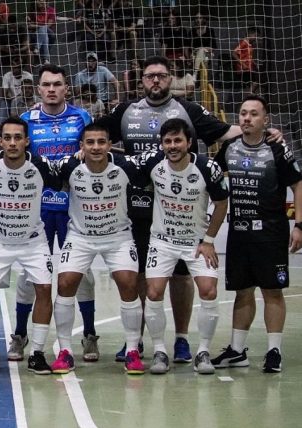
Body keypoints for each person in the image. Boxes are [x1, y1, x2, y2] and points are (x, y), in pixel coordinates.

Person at [96, 55, 281, 362]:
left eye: (162, 76)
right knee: (143, 276)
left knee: (181, 277)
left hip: (184, 210)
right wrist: (80, 145)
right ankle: (137, 340)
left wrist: (263, 134)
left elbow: (224, 132)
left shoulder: (190, 111)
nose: (156, 81)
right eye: (150, 76)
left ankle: (181, 339)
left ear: (171, 79)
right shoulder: (126, 111)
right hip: (138, 206)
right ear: (141, 80)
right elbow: (96, 136)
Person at [212, 95, 302, 373]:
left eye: (253, 114)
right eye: (242, 114)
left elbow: (298, 185)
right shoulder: (228, 148)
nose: (247, 118)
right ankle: (237, 351)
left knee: (272, 291)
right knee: (242, 291)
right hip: (239, 233)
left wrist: (299, 225)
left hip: (271, 233)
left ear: (265, 120)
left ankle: (274, 351)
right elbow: (209, 176)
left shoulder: (277, 150)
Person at [51, 124, 145, 375]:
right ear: (81, 145)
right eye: (89, 142)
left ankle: (133, 351)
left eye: (101, 142)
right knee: (65, 284)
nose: (95, 147)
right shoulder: (70, 167)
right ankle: (65, 352)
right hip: (80, 237)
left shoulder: (125, 166)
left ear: (109, 144)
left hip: (118, 236)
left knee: (128, 283)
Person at [20, 65, 97, 362]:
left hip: (74, 208)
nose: (51, 89)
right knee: (29, 276)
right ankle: (20, 334)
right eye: (46, 85)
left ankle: (89, 334)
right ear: (38, 89)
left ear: (67, 88)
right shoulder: (27, 121)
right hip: (37, 209)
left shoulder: (82, 118)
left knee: (82, 276)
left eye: (57, 84)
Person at [0, 117, 61, 374]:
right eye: (7, 138)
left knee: (44, 290)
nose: (12, 143)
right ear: (0, 141)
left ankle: (37, 353)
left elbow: (62, 180)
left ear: (27, 141)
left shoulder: (40, 165)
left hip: (33, 241)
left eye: (17, 138)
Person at [140, 118, 228, 375]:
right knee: (153, 292)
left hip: (196, 243)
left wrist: (209, 240)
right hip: (162, 241)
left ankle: (202, 352)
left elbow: (221, 203)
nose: (173, 146)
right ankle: (159, 351)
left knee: (209, 290)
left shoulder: (206, 166)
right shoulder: (153, 163)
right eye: (167, 141)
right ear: (162, 144)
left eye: (178, 140)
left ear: (189, 142)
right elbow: (120, 162)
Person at [26, 0, 55, 65]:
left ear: (45, 2)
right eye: (38, 0)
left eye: (41, 1)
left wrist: (37, 26)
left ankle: (37, 47)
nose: (38, 2)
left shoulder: (51, 10)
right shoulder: (33, 10)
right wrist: (39, 26)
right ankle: (46, 59)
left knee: (44, 29)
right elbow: (29, 26)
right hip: (35, 32)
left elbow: (49, 25)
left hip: (48, 31)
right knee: (45, 35)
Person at [232, 27, 260, 93]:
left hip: (248, 68)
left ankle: (250, 95)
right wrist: (243, 64)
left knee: (254, 82)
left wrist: (254, 63)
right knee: (256, 81)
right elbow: (234, 53)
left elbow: (247, 56)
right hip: (243, 69)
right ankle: (249, 95)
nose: (256, 38)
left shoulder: (249, 44)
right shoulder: (244, 42)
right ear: (250, 34)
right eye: (255, 36)